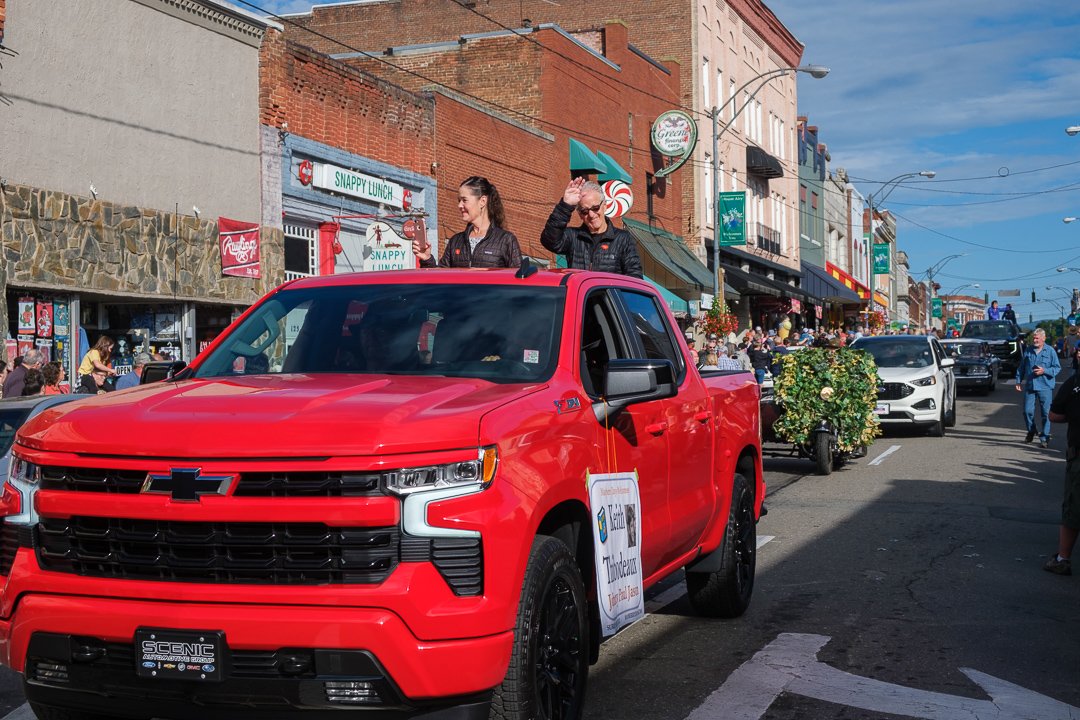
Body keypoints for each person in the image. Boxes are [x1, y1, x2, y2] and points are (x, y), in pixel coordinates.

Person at [540, 177, 642, 277]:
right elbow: (549, 241)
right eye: (585, 211)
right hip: (580, 294)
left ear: (605, 206)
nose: (591, 215)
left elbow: (635, 277)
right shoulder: (573, 237)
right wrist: (565, 206)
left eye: (595, 208)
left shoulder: (622, 239)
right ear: (580, 214)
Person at [413, 176, 522, 268]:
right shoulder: (455, 241)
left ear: (482, 201)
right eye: (459, 200)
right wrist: (427, 259)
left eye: (464, 200)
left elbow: (519, 281)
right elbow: (441, 280)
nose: (459, 205)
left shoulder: (506, 240)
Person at [1045, 345, 1080, 575]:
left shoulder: (1074, 384)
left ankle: (1063, 558)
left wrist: (1072, 415)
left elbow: (1054, 415)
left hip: (1079, 457)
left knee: (1073, 510)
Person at [1015, 328, 1060, 448]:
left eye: (1037, 338)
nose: (1034, 340)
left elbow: (1057, 368)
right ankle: (1031, 430)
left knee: (1046, 413)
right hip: (1030, 386)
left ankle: (1044, 437)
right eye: (1034, 338)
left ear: (1043, 338)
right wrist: (1018, 380)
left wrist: (1044, 370)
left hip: (1045, 386)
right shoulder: (1028, 350)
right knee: (1027, 411)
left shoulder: (1050, 351)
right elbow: (1022, 367)